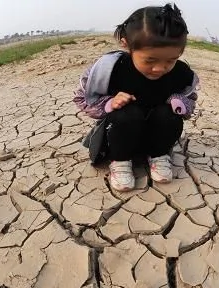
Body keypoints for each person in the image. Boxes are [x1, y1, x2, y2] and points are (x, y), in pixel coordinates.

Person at [73, 3, 199, 192]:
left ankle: (159, 156)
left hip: (156, 135)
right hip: (120, 134)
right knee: (127, 113)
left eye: (170, 60)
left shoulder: (182, 74)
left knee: (169, 114)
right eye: (150, 60)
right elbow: (82, 98)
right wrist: (109, 103)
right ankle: (121, 161)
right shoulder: (110, 69)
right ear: (126, 44)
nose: (160, 68)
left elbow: (191, 99)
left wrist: (180, 103)